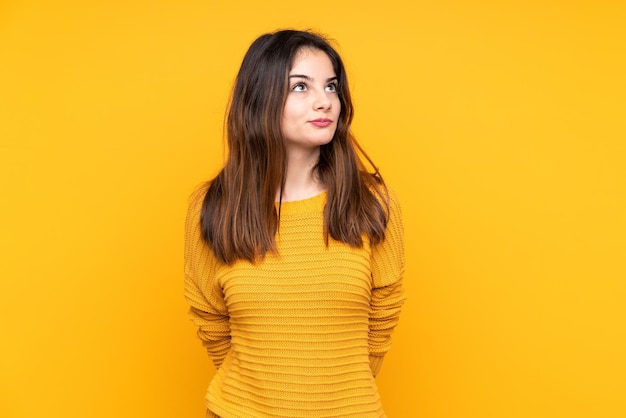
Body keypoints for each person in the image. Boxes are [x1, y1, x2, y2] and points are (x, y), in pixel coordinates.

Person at [184, 29, 406, 418]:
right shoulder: (214, 206)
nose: (325, 102)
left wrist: (336, 393)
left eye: (331, 86)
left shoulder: (371, 203)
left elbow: (384, 311)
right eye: (301, 87)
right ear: (260, 99)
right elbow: (210, 319)